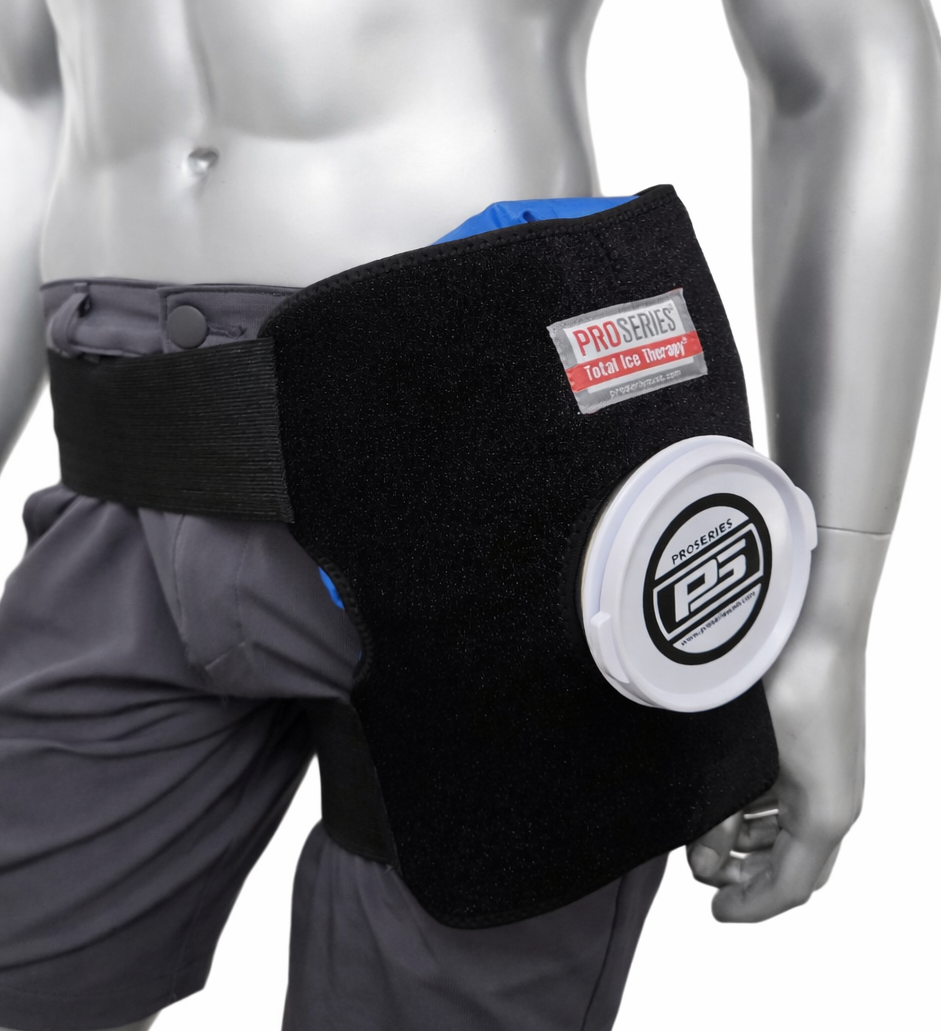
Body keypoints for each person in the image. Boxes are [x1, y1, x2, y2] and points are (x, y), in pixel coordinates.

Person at [0, 2, 938, 1030]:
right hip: (125, 462)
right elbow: (25, 96)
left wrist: (828, 619)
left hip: (492, 488)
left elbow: (849, 58)